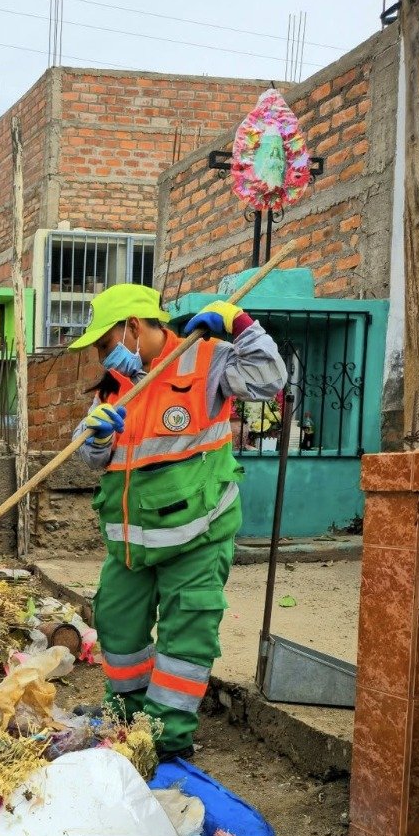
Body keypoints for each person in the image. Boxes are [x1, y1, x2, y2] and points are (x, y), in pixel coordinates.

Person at [69, 283, 287, 762]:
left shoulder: (206, 362)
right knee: (118, 627)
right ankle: (127, 717)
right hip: (129, 547)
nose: (102, 359)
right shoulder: (113, 386)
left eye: (105, 346)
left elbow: (272, 378)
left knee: (185, 637)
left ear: (132, 328)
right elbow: (90, 457)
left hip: (196, 536)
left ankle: (163, 740)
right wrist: (97, 439)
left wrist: (238, 322)